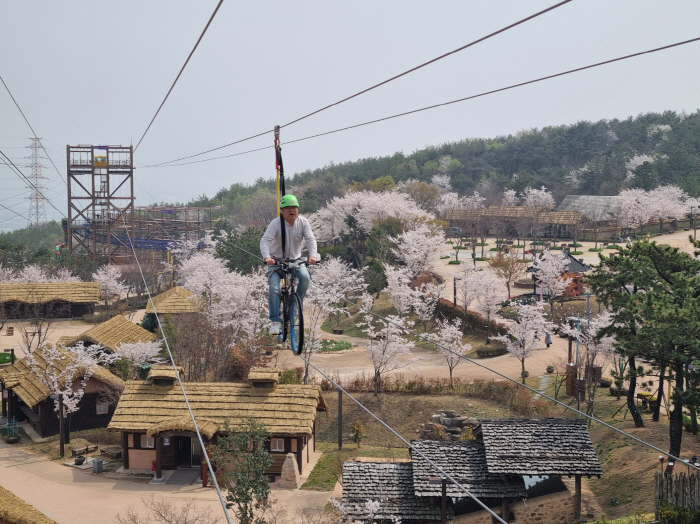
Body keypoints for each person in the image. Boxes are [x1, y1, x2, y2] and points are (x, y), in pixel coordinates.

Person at [260, 194, 319, 335]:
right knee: (274, 289)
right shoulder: (276, 223)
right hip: (276, 261)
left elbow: (310, 239)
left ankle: (296, 304)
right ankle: (275, 321)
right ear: (282, 210)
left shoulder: (303, 222)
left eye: (294, 207)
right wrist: (267, 257)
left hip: (296, 260)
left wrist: (312, 255)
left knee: (305, 277)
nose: (292, 210)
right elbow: (265, 241)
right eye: (288, 208)